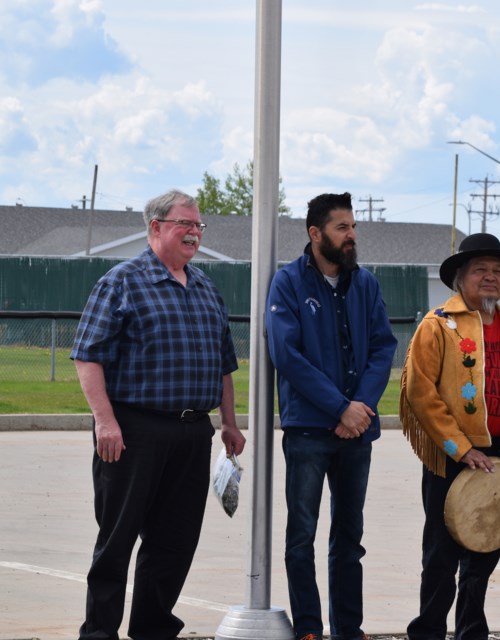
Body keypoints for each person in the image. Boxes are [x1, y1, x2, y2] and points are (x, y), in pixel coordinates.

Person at [71, 189, 246, 640]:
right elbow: (87, 356)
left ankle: (152, 629)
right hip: (133, 431)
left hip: (192, 433)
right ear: (155, 227)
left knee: (174, 543)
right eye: (184, 224)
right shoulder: (121, 282)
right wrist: (104, 421)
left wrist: (228, 422)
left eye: (198, 226)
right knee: (117, 541)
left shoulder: (205, 286)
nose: (194, 232)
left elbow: (224, 363)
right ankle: (99, 634)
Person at [399, 232, 500, 640]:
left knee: (485, 550)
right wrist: (461, 449)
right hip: (450, 458)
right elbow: (420, 391)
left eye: (498, 271)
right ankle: (428, 630)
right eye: (481, 269)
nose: (491, 278)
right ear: (460, 277)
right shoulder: (438, 326)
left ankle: (471, 632)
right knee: (441, 557)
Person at [266, 192, 397, 640]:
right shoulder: (288, 282)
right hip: (308, 431)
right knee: (301, 535)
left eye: (353, 226)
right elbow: (287, 354)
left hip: (356, 432)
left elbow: (383, 347)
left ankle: (349, 629)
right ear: (315, 233)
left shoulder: (366, 284)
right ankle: (308, 629)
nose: (352, 235)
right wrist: (339, 406)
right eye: (342, 227)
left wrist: (358, 407)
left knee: (349, 538)